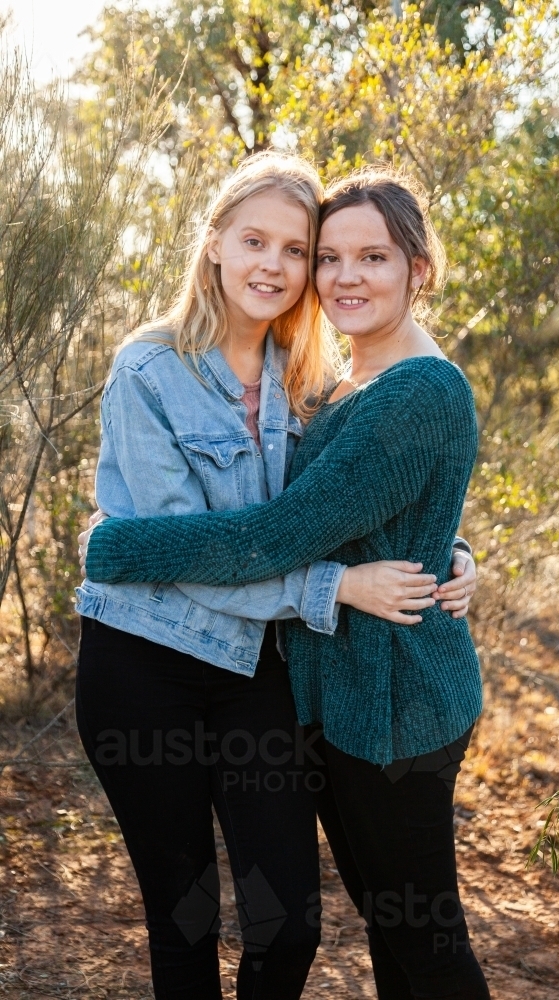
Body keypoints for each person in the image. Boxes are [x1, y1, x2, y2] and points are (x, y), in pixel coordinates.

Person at [82, 166, 490, 999]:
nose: (329, 273)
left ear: (417, 268)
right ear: (215, 247)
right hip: (200, 667)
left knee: (359, 933)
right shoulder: (202, 372)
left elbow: (296, 525)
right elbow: (330, 514)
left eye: (360, 256)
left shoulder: (345, 381)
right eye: (325, 256)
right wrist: (404, 561)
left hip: (331, 689)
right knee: (207, 918)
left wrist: (117, 549)